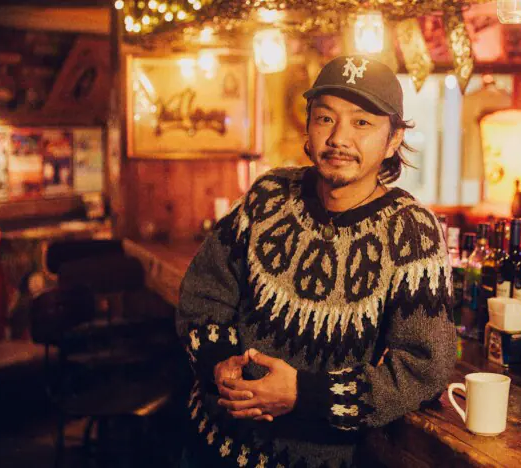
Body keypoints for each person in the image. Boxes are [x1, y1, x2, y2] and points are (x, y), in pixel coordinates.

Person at [177, 55, 457, 468]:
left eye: (362, 122)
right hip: (210, 444)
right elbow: (203, 296)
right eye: (325, 118)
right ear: (308, 126)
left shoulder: (412, 232)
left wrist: (303, 395)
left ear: (393, 139)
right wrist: (218, 363)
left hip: (313, 459)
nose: (339, 138)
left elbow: (424, 368)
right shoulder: (268, 195)